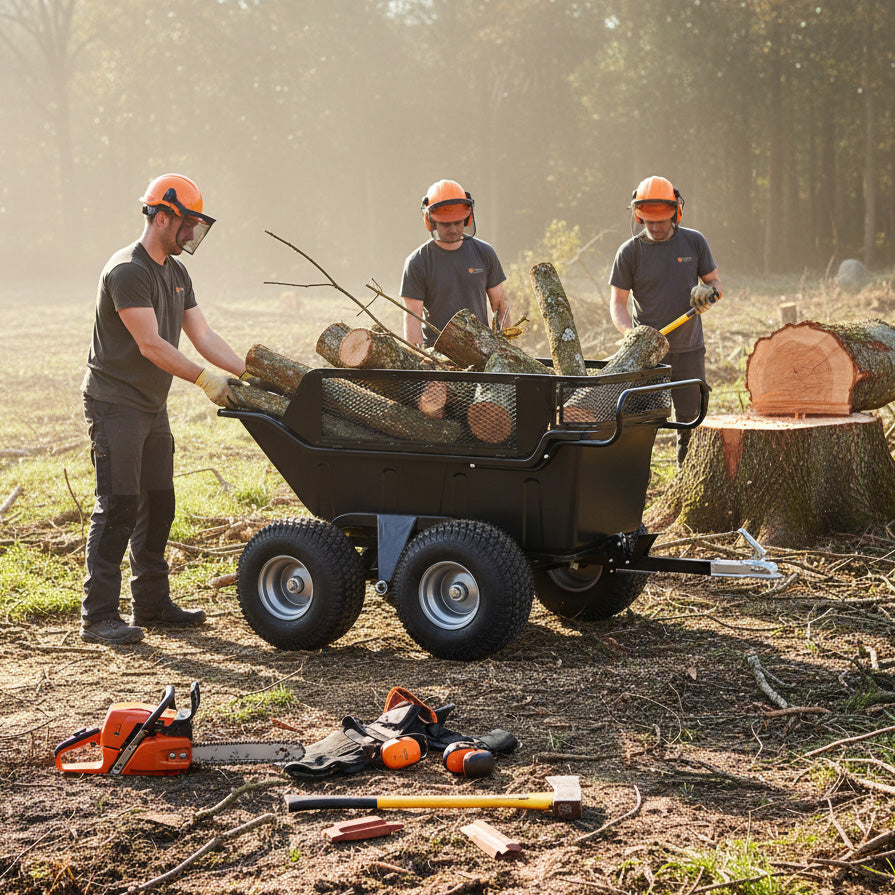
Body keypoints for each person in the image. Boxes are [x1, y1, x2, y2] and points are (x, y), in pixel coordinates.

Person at [79, 173, 247, 645]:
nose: (191, 233)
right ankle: (98, 616)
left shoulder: (176, 273)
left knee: (158, 503)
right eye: (187, 223)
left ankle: (151, 604)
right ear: (162, 216)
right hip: (115, 404)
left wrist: (249, 373)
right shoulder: (128, 271)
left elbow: (203, 335)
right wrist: (204, 380)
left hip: (151, 405)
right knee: (119, 504)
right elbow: (151, 344)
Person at [608, 175, 722, 465]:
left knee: (690, 420)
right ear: (638, 215)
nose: (656, 227)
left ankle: (686, 478)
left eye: (661, 221)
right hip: (647, 356)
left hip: (689, 350)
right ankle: (638, 480)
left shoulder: (694, 242)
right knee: (640, 424)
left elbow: (716, 284)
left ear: (676, 212)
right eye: (649, 221)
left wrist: (709, 293)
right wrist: (631, 334)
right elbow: (618, 303)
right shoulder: (629, 252)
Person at [401, 179, 509, 347]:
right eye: (445, 224)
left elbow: (501, 308)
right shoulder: (417, 262)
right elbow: (412, 317)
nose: (452, 229)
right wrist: (419, 357)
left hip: (481, 348)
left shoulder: (484, 253)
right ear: (431, 221)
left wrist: (505, 349)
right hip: (437, 352)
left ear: (467, 218)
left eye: (457, 222)